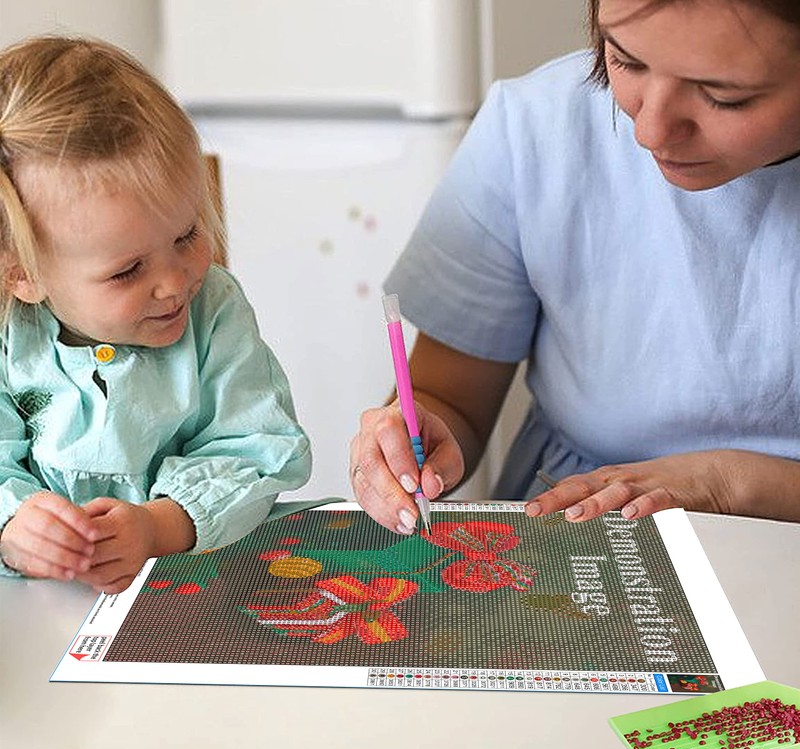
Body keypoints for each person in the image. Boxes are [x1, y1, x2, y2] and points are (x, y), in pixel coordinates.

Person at [350, 0, 800, 536]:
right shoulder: (537, 126)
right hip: (571, 532)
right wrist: (407, 441)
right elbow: (450, 398)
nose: (650, 131)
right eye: (625, 60)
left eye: (722, 96)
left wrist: (726, 484)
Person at [0, 35, 311, 592]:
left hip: (194, 587)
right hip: (44, 606)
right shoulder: (9, 335)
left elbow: (257, 448)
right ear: (22, 275)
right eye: (127, 271)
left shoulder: (213, 309)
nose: (174, 283)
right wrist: (14, 528)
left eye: (187, 234)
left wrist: (158, 526)